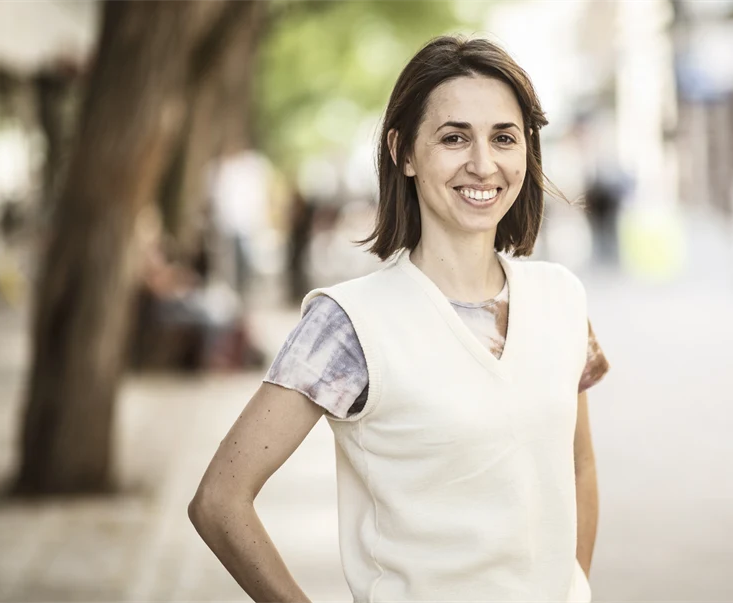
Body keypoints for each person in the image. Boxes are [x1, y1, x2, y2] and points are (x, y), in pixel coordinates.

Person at [189, 36, 610, 602]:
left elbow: (578, 466)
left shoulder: (563, 298)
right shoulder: (349, 323)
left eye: (504, 138)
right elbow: (220, 500)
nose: (483, 164)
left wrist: (573, 585)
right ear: (404, 152)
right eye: (454, 137)